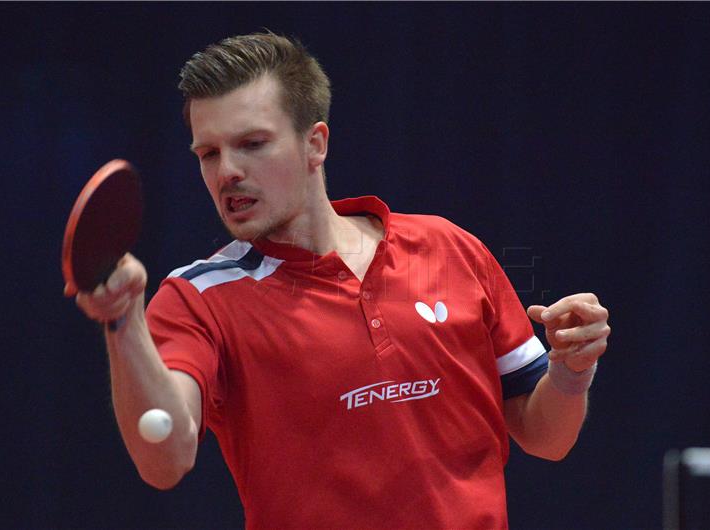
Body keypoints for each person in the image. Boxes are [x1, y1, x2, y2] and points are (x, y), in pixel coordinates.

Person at [74, 32, 611, 529]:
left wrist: (571, 371)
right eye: (208, 154)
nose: (226, 172)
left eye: (253, 144)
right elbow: (165, 457)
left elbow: (546, 437)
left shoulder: (450, 248)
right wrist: (124, 322)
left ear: (316, 144)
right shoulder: (198, 297)